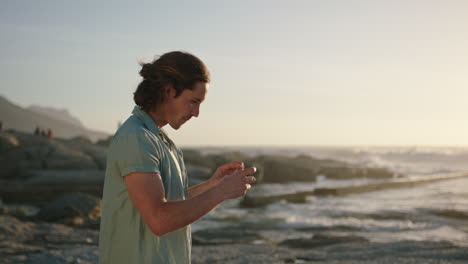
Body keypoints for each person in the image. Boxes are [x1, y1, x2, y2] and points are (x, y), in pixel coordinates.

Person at [98, 51, 256, 264]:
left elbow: (170, 203)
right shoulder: (136, 137)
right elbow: (159, 219)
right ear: (168, 91)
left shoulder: (161, 141)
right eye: (193, 102)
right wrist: (222, 192)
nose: (196, 113)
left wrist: (212, 185)